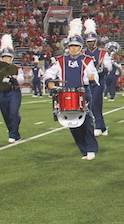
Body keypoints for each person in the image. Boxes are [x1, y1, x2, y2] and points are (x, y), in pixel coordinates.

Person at [44, 19, 99, 160]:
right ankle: (83, 149)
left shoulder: (87, 60)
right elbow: (49, 73)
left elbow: (93, 74)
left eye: (76, 46)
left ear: (81, 46)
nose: (74, 48)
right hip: (66, 93)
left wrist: (92, 78)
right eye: (72, 46)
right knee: (72, 122)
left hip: (83, 92)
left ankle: (91, 148)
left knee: (86, 121)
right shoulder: (61, 60)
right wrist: (49, 82)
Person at [83, 19, 112, 137]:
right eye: (88, 41)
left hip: (99, 81)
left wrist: (100, 71)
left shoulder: (103, 53)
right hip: (86, 81)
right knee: (91, 104)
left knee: (95, 102)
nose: (90, 43)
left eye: (92, 41)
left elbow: (108, 66)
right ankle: (102, 127)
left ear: (96, 41)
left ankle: (98, 126)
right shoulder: (83, 53)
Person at [0, 35, 24, 143]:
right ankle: (15, 133)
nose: (6, 59)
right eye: (4, 57)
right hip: (2, 93)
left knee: (13, 112)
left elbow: (21, 79)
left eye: (8, 57)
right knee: (6, 114)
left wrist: (15, 78)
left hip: (14, 92)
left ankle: (13, 134)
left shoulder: (17, 68)